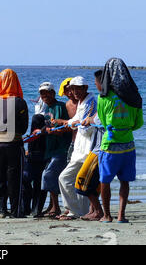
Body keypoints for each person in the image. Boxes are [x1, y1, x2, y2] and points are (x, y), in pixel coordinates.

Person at [97, 58, 143, 223]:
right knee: (125, 181)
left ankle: (107, 215)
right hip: (128, 144)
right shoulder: (135, 97)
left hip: (110, 145)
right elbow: (139, 123)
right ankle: (121, 215)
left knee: (105, 180)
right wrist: (126, 128)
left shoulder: (103, 97)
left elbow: (102, 120)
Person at [0, 69, 28, 218]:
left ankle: (2, 209)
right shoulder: (19, 102)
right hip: (13, 142)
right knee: (14, 176)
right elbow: (24, 128)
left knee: (1, 176)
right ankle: (16, 210)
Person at [58, 76, 96, 220]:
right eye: (72, 89)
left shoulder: (91, 102)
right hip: (79, 151)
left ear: (85, 88)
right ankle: (80, 211)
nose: (75, 92)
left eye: (78, 88)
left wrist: (77, 124)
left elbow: (87, 129)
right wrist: (72, 123)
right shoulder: (82, 102)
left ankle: (75, 211)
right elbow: (76, 121)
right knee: (78, 182)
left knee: (67, 178)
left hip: (87, 150)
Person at [32, 82, 71, 218]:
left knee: (48, 175)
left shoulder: (60, 106)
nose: (44, 95)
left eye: (47, 92)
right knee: (52, 177)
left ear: (53, 93)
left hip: (61, 148)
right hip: (50, 148)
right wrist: (41, 131)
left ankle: (56, 207)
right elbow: (47, 127)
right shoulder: (45, 109)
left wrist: (51, 131)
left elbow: (65, 127)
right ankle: (52, 206)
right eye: (42, 93)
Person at [75, 70, 105, 221]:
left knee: (82, 180)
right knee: (98, 181)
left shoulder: (103, 99)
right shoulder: (107, 98)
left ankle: (99, 211)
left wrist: (90, 120)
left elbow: (102, 120)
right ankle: (96, 211)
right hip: (102, 145)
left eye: (96, 82)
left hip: (101, 147)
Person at [23, 114, 47, 217]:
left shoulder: (39, 132)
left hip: (36, 158)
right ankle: (35, 209)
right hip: (38, 158)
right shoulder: (41, 132)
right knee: (37, 185)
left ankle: (29, 208)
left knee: (29, 183)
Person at [57, 78, 78, 164]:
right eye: (66, 90)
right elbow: (69, 125)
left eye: (70, 89)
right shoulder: (67, 105)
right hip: (73, 141)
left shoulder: (85, 102)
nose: (69, 93)